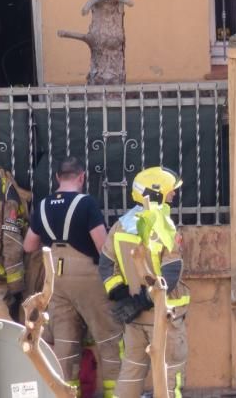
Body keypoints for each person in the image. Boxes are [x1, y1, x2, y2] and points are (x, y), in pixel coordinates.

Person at [23, 156, 122, 397]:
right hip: (87, 276)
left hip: (55, 278)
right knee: (109, 338)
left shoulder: (43, 205)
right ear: (81, 177)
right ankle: (114, 393)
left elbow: (28, 246)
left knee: (65, 346)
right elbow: (102, 247)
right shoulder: (86, 204)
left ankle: (66, 394)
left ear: (57, 177)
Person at [100, 166, 190, 398]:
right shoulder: (164, 227)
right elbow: (171, 272)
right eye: (171, 191)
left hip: (133, 319)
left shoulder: (120, 226)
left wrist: (124, 297)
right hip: (165, 316)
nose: (174, 195)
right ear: (156, 193)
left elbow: (106, 266)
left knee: (130, 374)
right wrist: (145, 300)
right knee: (170, 377)